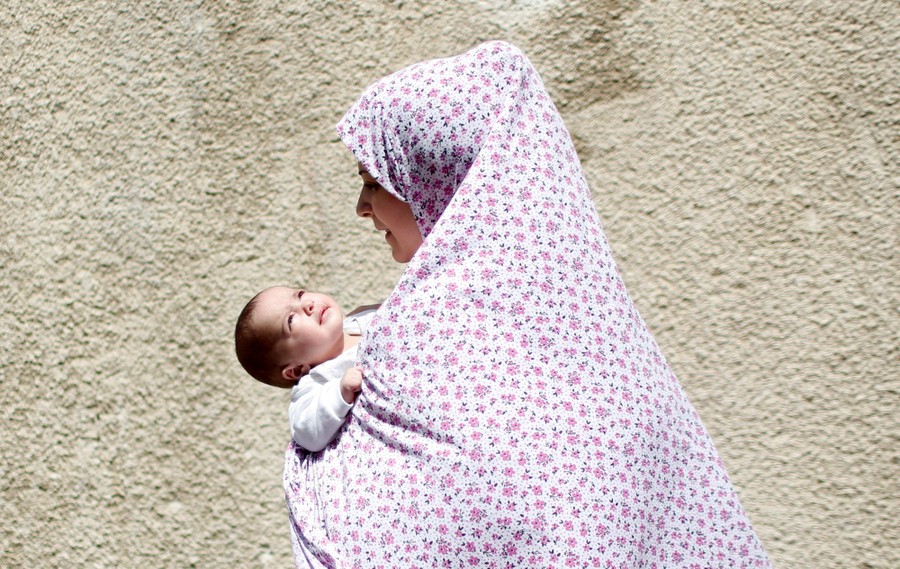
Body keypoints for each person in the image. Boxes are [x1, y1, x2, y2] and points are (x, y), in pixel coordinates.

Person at [283, 41, 771, 568]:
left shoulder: (424, 337)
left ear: (435, 175)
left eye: (374, 181)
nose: (361, 208)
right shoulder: (582, 314)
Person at [234, 286, 378, 452]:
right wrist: (339, 392)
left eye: (300, 295)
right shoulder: (316, 382)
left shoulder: (362, 318)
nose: (308, 304)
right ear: (295, 370)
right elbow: (306, 433)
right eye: (291, 320)